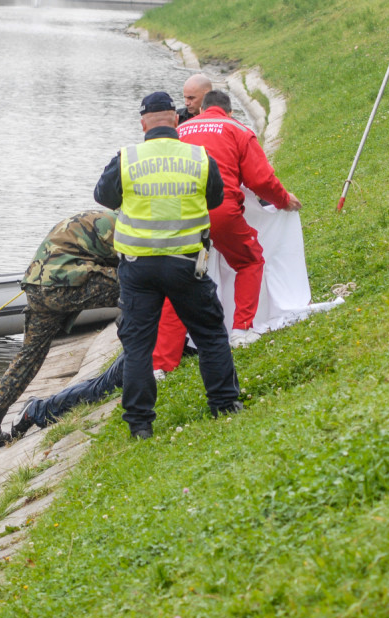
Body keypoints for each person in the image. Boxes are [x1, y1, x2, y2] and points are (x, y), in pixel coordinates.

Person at [93, 91, 242, 439]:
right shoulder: (199, 157)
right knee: (209, 335)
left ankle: (140, 424)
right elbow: (216, 198)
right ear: (176, 120)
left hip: (138, 267)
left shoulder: (127, 159)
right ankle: (224, 405)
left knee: (138, 346)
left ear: (143, 123)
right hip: (186, 264)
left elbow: (104, 197)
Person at [153, 89, 302, 375]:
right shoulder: (237, 129)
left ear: (201, 110)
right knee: (250, 259)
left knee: (180, 281)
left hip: (176, 214)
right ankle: (241, 330)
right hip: (219, 210)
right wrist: (284, 200)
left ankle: (161, 365)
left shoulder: (179, 129)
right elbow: (261, 180)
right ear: (229, 111)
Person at [0, 210, 120, 452]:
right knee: (138, 282)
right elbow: (137, 265)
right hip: (62, 282)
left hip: (36, 286)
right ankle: (143, 342)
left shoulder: (96, 218)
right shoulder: (120, 226)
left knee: (29, 356)